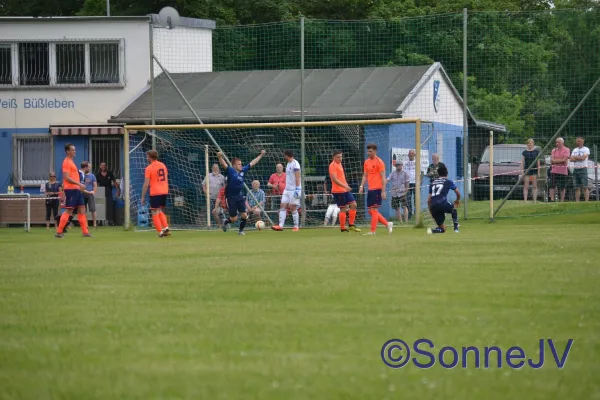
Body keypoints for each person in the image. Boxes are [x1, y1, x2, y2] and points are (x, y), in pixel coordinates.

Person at [218, 150, 266, 235]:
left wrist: (261, 155)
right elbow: (224, 164)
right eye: (239, 164)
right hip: (230, 197)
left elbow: (252, 163)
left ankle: (240, 231)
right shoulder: (230, 171)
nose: (241, 165)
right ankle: (226, 221)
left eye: (241, 164)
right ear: (234, 165)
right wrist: (219, 156)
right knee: (234, 219)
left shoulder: (243, 171)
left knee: (244, 215)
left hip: (239, 196)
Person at [55, 143, 91, 238]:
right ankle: (59, 232)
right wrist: (79, 184)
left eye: (74, 150)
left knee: (82, 209)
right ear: (67, 151)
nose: (74, 151)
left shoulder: (71, 161)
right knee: (69, 211)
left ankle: (85, 232)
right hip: (71, 189)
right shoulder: (66, 162)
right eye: (72, 150)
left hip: (76, 190)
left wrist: (79, 186)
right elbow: (66, 177)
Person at [359, 144, 393, 235]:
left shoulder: (379, 162)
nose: (368, 153)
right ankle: (387, 224)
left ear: (375, 151)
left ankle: (372, 231)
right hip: (370, 189)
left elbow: (383, 178)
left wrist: (383, 191)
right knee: (370, 211)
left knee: (374, 210)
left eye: (370, 151)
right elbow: (365, 175)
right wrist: (361, 186)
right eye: (368, 151)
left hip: (378, 189)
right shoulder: (366, 162)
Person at [141, 150, 171, 238]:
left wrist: (142, 197)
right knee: (159, 210)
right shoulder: (163, 165)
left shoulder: (149, 168)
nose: (147, 158)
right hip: (164, 191)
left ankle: (160, 233)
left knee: (154, 211)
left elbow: (146, 184)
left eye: (147, 156)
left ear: (150, 157)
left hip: (155, 192)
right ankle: (166, 228)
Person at [328, 150, 360, 233]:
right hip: (338, 191)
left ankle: (351, 225)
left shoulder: (339, 164)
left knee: (353, 205)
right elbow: (334, 179)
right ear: (333, 157)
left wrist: (346, 186)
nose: (340, 158)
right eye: (338, 157)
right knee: (343, 208)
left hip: (344, 190)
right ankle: (342, 228)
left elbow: (341, 178)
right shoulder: (333, 165)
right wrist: (345, 186)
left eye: (341, 156)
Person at [271, 150, 302, 232]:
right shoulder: (288, 163)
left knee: (293, 207)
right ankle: (280, 226)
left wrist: (298, 189)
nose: (284, 157)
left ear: (287, 155)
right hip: (287, 189)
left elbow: (298, 177)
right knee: (282, 206)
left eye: (284, 155)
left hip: (294, 189)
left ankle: (296, 226)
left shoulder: (295, 164)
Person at [427, 165, 460, 234]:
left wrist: (431, 210)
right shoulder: (448, 181)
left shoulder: (433, 183)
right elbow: (457, 192)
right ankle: (456, 228)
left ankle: (431, 231)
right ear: (447, 174)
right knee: (453, 209)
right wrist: (457, 200)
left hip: (433, 206)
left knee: (443, 228)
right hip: (442, 203)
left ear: (438, 174)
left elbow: (429, 200)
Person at [549, 137, 570, 202]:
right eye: (556, 142)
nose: (556, 143)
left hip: (563, 171)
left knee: (562, 187)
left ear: (562, 143)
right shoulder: (553, 150)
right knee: (552, 185)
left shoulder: (566, 149)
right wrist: (559, 161)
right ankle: (552, 200)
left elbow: (564, 160)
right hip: (554, 170)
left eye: (558, 142)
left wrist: (555, 161)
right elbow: (551, 160)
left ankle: (561, 200)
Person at [570, 137, 590, 202]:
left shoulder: (586, 149)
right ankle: (577, 201)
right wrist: (578, 158)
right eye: (576, 141)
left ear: (582, 142)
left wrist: (575, 157)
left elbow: (583, 158)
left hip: (583, 169)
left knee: (585, 186)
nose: (577, 142)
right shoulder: (574, 149)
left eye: (578, 141)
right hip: (575, 169)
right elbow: (571, 159)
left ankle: (586, 201)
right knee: (576, 187)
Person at [80, 161, 98, 228]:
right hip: (82, 194)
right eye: (88, 167)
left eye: (90, 167)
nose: (89, 168)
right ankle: (85, 224)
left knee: (93, 209)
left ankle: (95, 224)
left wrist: (93, 191)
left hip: (90, 194)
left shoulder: (92, 176)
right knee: (83, 210)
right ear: (85, 167)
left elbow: (95, 185)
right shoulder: (81, 175)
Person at [405, 149, 417, 219]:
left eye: (412, 153)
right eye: (409, 153)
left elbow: (421, 173)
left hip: (416, 183)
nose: (410, 154)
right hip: (408, 184)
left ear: (414, 155)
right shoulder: (405, 163)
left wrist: (419, 182)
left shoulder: (418, 162)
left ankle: (416, 214)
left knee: (416, 199)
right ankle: (409, 214)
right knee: (408, 199)